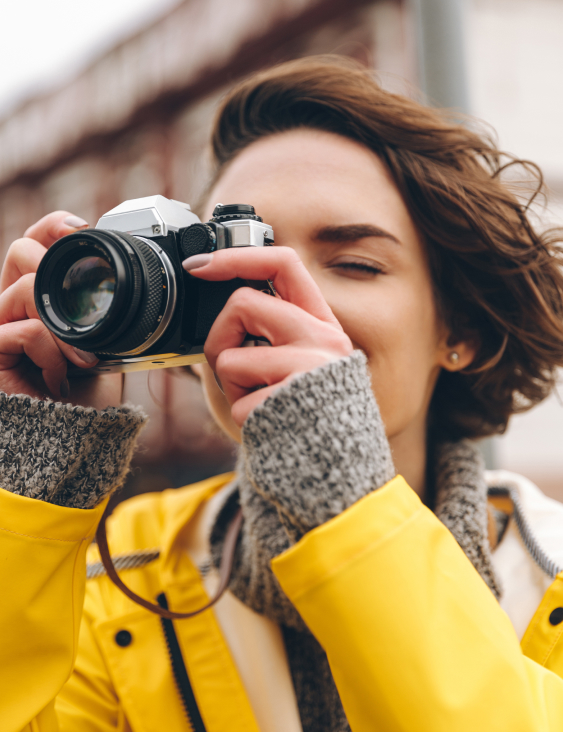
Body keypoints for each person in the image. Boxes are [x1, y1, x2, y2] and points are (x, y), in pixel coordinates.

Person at [2, 55, 563, 732]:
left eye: (354, 263)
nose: (277, 295)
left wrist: (344, 503)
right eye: (232, 258)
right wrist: (25, 490)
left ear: (461, 328)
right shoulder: (115, 579)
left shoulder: (549, 578)